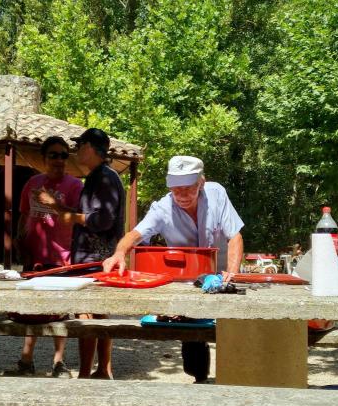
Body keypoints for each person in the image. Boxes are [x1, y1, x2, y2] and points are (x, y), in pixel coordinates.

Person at [102, 155, 244, 383]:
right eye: (176, 190)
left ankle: (238, 379)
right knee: (192, 331)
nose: (182, 196)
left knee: (234, 328)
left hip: (223, 272)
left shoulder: (217, 193)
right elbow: (134, 235)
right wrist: (119, 253)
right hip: (188, 279)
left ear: (201, 183)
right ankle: (200, 379)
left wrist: (231, 272)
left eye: (188, 189)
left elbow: (234, 235)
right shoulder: (162, 208)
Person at [35, 127, 125, 379]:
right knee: (99, 313)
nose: (74, 150)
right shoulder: (102, 175)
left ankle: (87, 373)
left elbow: (103, 220)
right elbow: (86, 216)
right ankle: (102, 370)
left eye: (79, 144)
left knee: (86, 315)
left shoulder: (103, 177)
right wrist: (57, 206)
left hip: (94, 258)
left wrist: (68, 215)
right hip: (97, 258)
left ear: (92, 148)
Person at [10, 136, 83, 378]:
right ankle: (26, 361)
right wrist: (19, 241)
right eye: (54, 154)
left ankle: (58, 363)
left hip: (62, 256)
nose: (59, 159)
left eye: (64, 155)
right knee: (31, 310)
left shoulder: (75, 185)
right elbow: (23, 215)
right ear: (44, 158)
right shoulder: (32, 183)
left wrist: (53, 203)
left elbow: (78, 217)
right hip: (34, 256)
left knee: (59, 312)